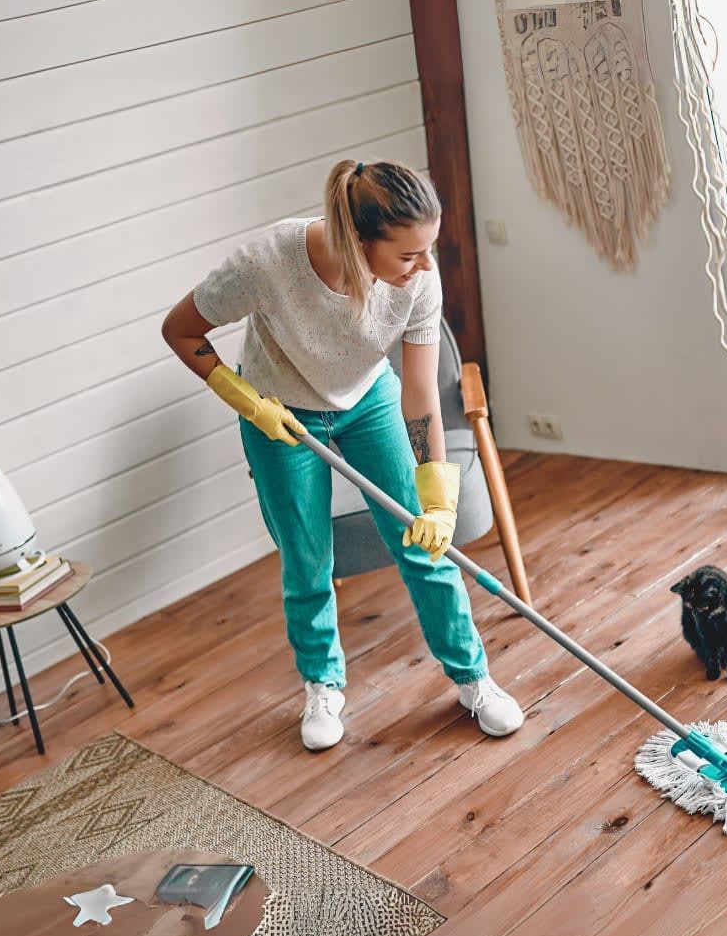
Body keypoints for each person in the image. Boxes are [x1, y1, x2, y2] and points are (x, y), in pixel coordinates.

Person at [162, 159, 523, 751]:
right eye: (408, 254)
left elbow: (422, 392)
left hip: (367, 398)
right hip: (278, 412)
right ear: (358, 242)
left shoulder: (419, 282)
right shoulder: (267, 261)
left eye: (428, 249)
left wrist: (437, 495)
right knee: (306, 558)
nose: (426, 266)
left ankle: (473, 678)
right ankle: (322, 685)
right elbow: (180, 330)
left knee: (424, 544)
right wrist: (243, 397)